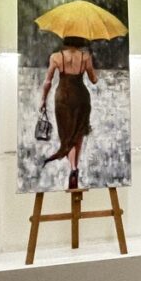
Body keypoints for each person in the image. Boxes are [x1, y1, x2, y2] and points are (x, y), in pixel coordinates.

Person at [40, 36, 97, 190]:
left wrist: (43, 100)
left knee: (67, 135)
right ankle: (74, 169)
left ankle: (73, 168)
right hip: (81, 97)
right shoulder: (86, 57)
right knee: (78, 134)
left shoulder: (56, 57)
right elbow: (94, 80)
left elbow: (48, 81)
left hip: (63, 97)